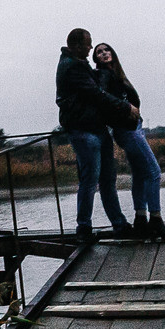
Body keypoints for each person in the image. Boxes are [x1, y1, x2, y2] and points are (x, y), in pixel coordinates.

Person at [54, 27, 133, 241]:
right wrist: (126, 108)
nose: (91, 48)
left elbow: (98, 90)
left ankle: (119, 224)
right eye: (88, 44)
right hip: (84, 131)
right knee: (90, 180)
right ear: (77, 45)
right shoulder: (71, 67)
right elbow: (96, 94)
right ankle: (84, 229)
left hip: (97, 129)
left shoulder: (79, 64)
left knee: (108, 179)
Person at [92, 42, 165, 241]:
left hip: (133, 128)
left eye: (106, 50)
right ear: (96, 59)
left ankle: (141, 219)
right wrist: (126, 108)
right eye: (99, 52)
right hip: (127, 130)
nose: (103, 53)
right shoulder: (103, 75)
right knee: (154, 173)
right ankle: (156, 220)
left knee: (140, 174)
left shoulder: (116, 75)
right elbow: (103, 100)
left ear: (113, 53)